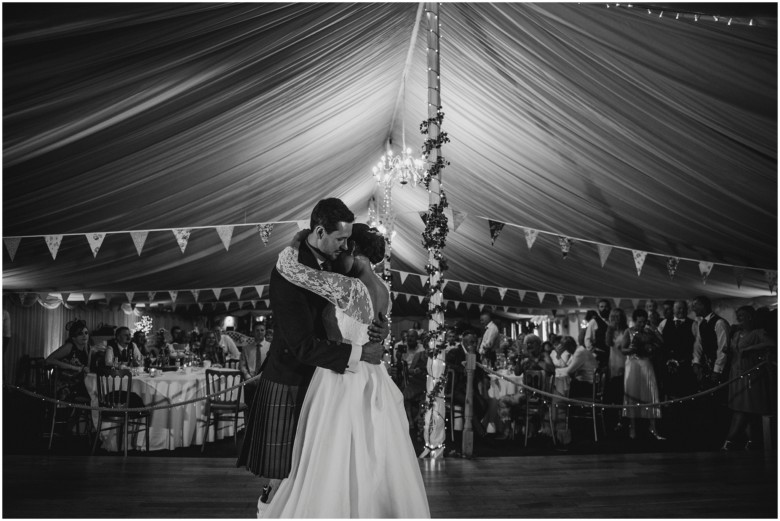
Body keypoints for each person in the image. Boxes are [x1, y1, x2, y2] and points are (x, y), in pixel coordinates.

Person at [258, 222, 428, 517]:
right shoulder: (383, 289)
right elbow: (373, 327)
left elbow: (298, 273)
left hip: (341, 374)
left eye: (344, 246)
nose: (339, 253)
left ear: (354, 249)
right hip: (373, 376)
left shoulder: (348, 286)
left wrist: (294, 246)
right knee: (373, 449)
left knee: (331, 451)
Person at [236, 198, 388, 508]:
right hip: (292, 377)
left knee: (318, 467)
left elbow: (360, 307)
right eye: (340, 239)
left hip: (329, 380)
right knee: (282, 469)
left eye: (348, 241)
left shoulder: (335, 258)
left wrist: (378, 329)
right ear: (320, 231)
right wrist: (361, 353)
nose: (345, 247)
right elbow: (302, 345)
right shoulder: (287, 272)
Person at [722, 306, 775, 450]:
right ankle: (751, 442)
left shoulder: (758, 333)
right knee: (742, 409)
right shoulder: (736, 334)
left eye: (742, 315)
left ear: (750, 317)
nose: (739, 318)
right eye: (738, 315)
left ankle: (728, 442)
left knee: (743, 409)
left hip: (750, 375)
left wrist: (752, 348)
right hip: (736, 373)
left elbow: (773, 343)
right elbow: (735, 351)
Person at [621, 309, 664, 440]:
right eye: (640, 321)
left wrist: (654, 330)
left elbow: (661, 342)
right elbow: (623, 349)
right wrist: (631, 350)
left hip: (646, 363)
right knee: (632, 394)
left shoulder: (649, 331)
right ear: (635, 320)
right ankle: (632, 426)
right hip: (633, 363)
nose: (642, 324)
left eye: (644, 321)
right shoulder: (628, 331)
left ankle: (653, 426)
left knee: (650, 393)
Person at [45, 319, 91, 401]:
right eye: (80, 333)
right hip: (63, 384)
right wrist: (73, 368)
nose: (84, 336)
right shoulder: (69, 346)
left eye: (86, 333)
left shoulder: (86, 348)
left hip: (77, 383)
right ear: (73, 337)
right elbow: (48, 360)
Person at [604, 308, 629, 432]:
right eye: (613, 317)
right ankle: (616, 420)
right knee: (614, 393)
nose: (616, 319)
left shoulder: (626, 330)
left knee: (623, 393)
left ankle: (624, 421)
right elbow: (608, 343)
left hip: (624, 362)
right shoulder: (611, 331)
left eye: (618, 317)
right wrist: (610, 328)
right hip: (613, 363)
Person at [240, 322, 270, 406]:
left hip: (266, 380)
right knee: (249, 406)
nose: (260, 332)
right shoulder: (246, 348)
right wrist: (248, 377)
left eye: (262, 330)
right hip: (250, 381)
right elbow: (242, 365)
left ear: (265, 332)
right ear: (253, 332)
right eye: (257, 330)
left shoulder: (270, 347)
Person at [584, 299, 611, 368]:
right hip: (599, 355)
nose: (604, 309)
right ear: (598, 308)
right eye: (601, 307)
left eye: (606, 307)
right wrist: (593, 352)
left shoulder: (611, 321)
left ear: (609, 308)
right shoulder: (593, 322)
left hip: (610, 354)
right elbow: (587, 339)